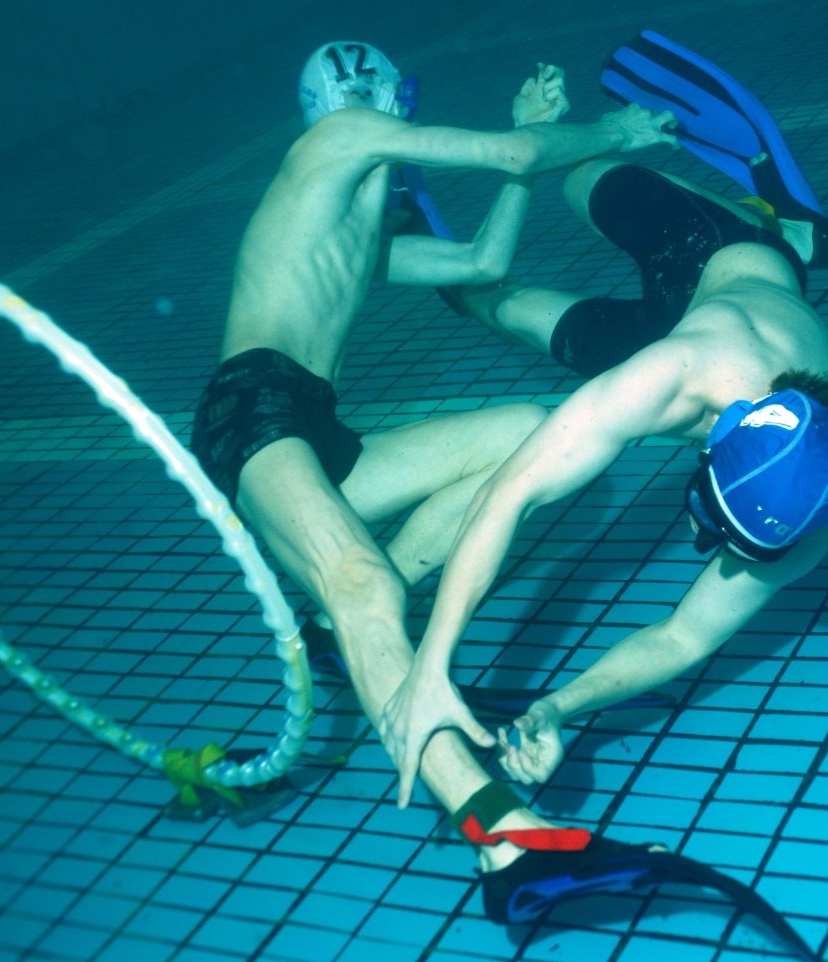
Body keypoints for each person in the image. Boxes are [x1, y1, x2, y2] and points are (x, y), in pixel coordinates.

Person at [189, 39, 679, 910]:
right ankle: (504, 835)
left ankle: (358, 631)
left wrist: (527, 157)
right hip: (251, 412)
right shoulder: (333, 145)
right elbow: (513, 152)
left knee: (526, 434)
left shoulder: (350, 218)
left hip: (308, 422)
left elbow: (480, 265)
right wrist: (604, 129)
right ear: (384, 98)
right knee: (359, 579)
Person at [380, 156, 828, 798]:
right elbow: (510, 493)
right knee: (574, 186)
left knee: (496, 306)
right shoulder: (670, 376)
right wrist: (431, 667)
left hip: (703, 331)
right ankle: (783, 225)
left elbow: (684, 635)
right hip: (713, 256)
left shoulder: (808, 510)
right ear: (718, 435)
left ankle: (449, 261)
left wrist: (556, 708)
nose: (700, 532)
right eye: (707, 510)